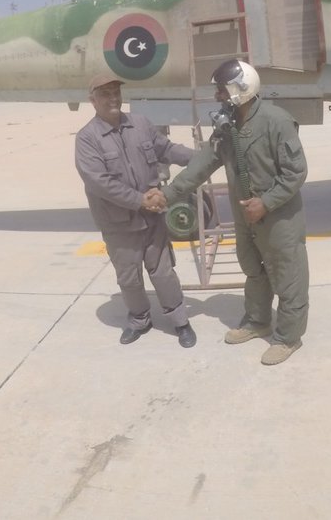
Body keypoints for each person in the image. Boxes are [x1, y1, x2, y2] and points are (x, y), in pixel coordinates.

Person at [160, 60, 309, 366]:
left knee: (288, 276)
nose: (216, 96)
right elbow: (202, 164)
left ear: (241, 89)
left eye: (220, 89)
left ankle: (288, 337)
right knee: (253, 269)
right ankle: (258, 321)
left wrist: (266, 202)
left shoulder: (276, 121)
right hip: (246, 216)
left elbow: (296, 173)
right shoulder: (228, 127)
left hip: (278, 216)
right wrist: (167, 195)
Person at [74, 71, 197, 348]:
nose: (113, 97)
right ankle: (140, 319)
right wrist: (140, 200)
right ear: (92, 100)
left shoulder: (140, 124)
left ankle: (180, 321)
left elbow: (166, 149)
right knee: (129, 277)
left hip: (152, 218)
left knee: (164, 272)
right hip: (118, 223)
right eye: (105, 93)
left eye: (116, 91)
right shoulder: (87, 139)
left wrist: (200, 158)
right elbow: (99, 182)